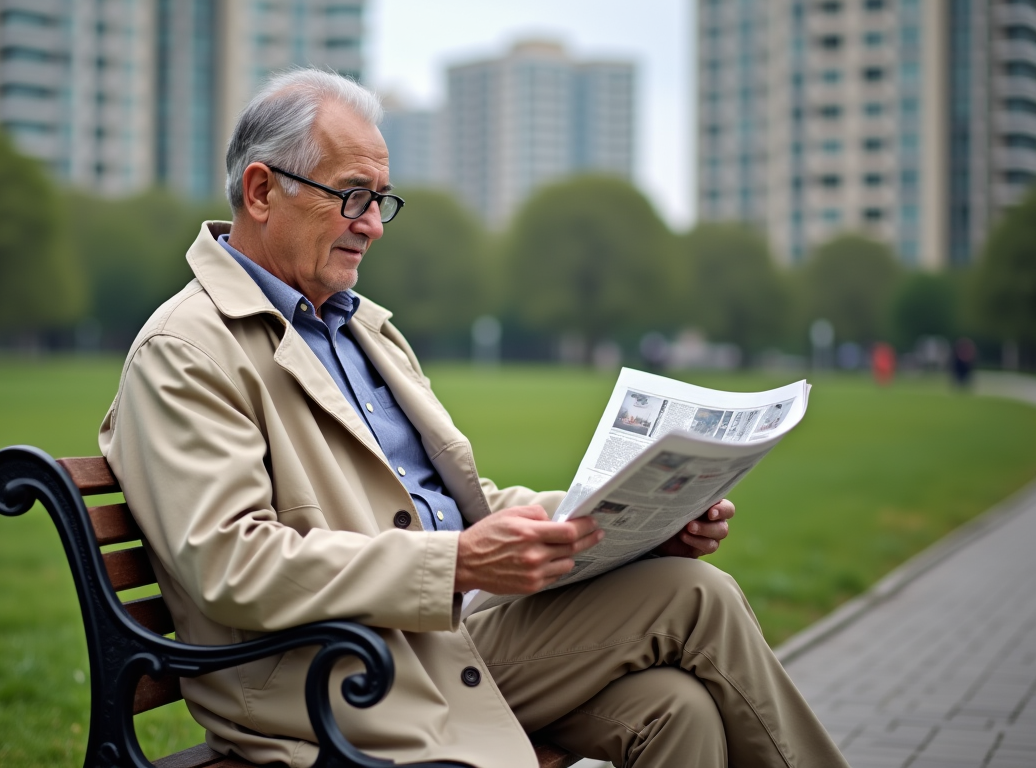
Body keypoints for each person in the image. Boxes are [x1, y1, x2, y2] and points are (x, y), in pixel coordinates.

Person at [99, 69, 849, 768]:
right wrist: (455, 562)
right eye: (353, 195)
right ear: (261, 191)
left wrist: (640, 518)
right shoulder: (187, 348)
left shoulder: (364, 331)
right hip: (332, 676)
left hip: (436, 638)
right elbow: (231, 563)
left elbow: (462, 506)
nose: (374, 225)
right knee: (697, 598)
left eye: (382, 200)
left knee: (676, 708)